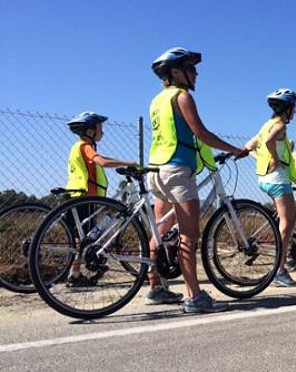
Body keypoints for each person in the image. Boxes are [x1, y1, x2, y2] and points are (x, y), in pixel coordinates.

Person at [148, 47, 247, 312]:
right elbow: (201, 133)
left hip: (157, 169)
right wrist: (235, 149)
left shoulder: (157, 100)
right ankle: (194, 296)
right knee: (189, 237)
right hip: (178, 170)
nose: (196, 74)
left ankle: (155, 287)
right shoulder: (182, 97)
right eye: (191, 68)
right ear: (176, 72)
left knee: (159, 231)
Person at [65, 111, 138, 286]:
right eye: (100, 128)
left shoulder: (81, 146)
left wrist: (123, 161)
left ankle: (74, 274)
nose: (103, 132)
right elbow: (102, 162)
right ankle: (74, 274)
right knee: (83, 239)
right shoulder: (85, 146)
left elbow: (102, 158)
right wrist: (129, 163)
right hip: (85, 196)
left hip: (78, 195)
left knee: (81, 239)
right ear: (90, 131)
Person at [244, 88, 296, 287]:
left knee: (283, 218)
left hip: (265, 178)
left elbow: (249, 146)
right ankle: (280, 269)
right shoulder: (280, 126)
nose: (295, 112)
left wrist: (263, 160)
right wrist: (275, 159)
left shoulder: (266, 125)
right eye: (293, 108)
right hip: (278, 180)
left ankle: (279, 262)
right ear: (287, 109)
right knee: (288, 222)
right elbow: (268, 142)